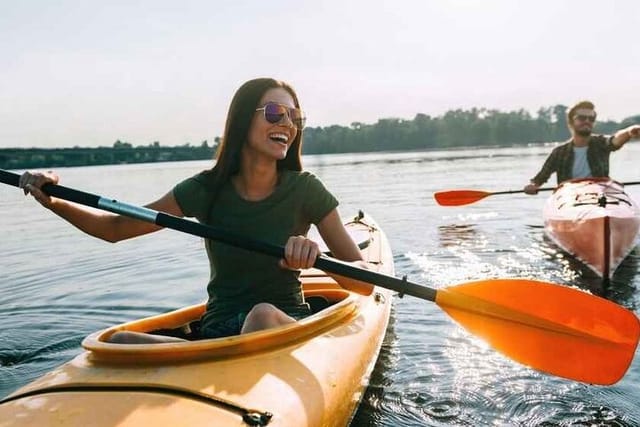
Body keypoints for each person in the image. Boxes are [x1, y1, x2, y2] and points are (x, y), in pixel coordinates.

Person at [19, 77, 368, 343]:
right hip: (218, 332)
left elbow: (364, 281)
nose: (288, 125)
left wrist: (315, 254)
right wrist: (53, 199)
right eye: (276, 113)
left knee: (261, 315)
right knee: (118, 340)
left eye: (295, 118)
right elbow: (114, 229)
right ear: (243, 121)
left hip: (280, 323)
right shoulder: (204, 190)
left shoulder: (306, 189)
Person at [524, 100, 640, 194]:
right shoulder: (559, 152)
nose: (587, 121)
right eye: (582, 118)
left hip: (600, 193)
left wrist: (629, 132)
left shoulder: (601, 143)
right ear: (571, 122)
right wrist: (533, 186)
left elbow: (615, 140)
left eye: (591, 119)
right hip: (569, 197)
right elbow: (540, 179)